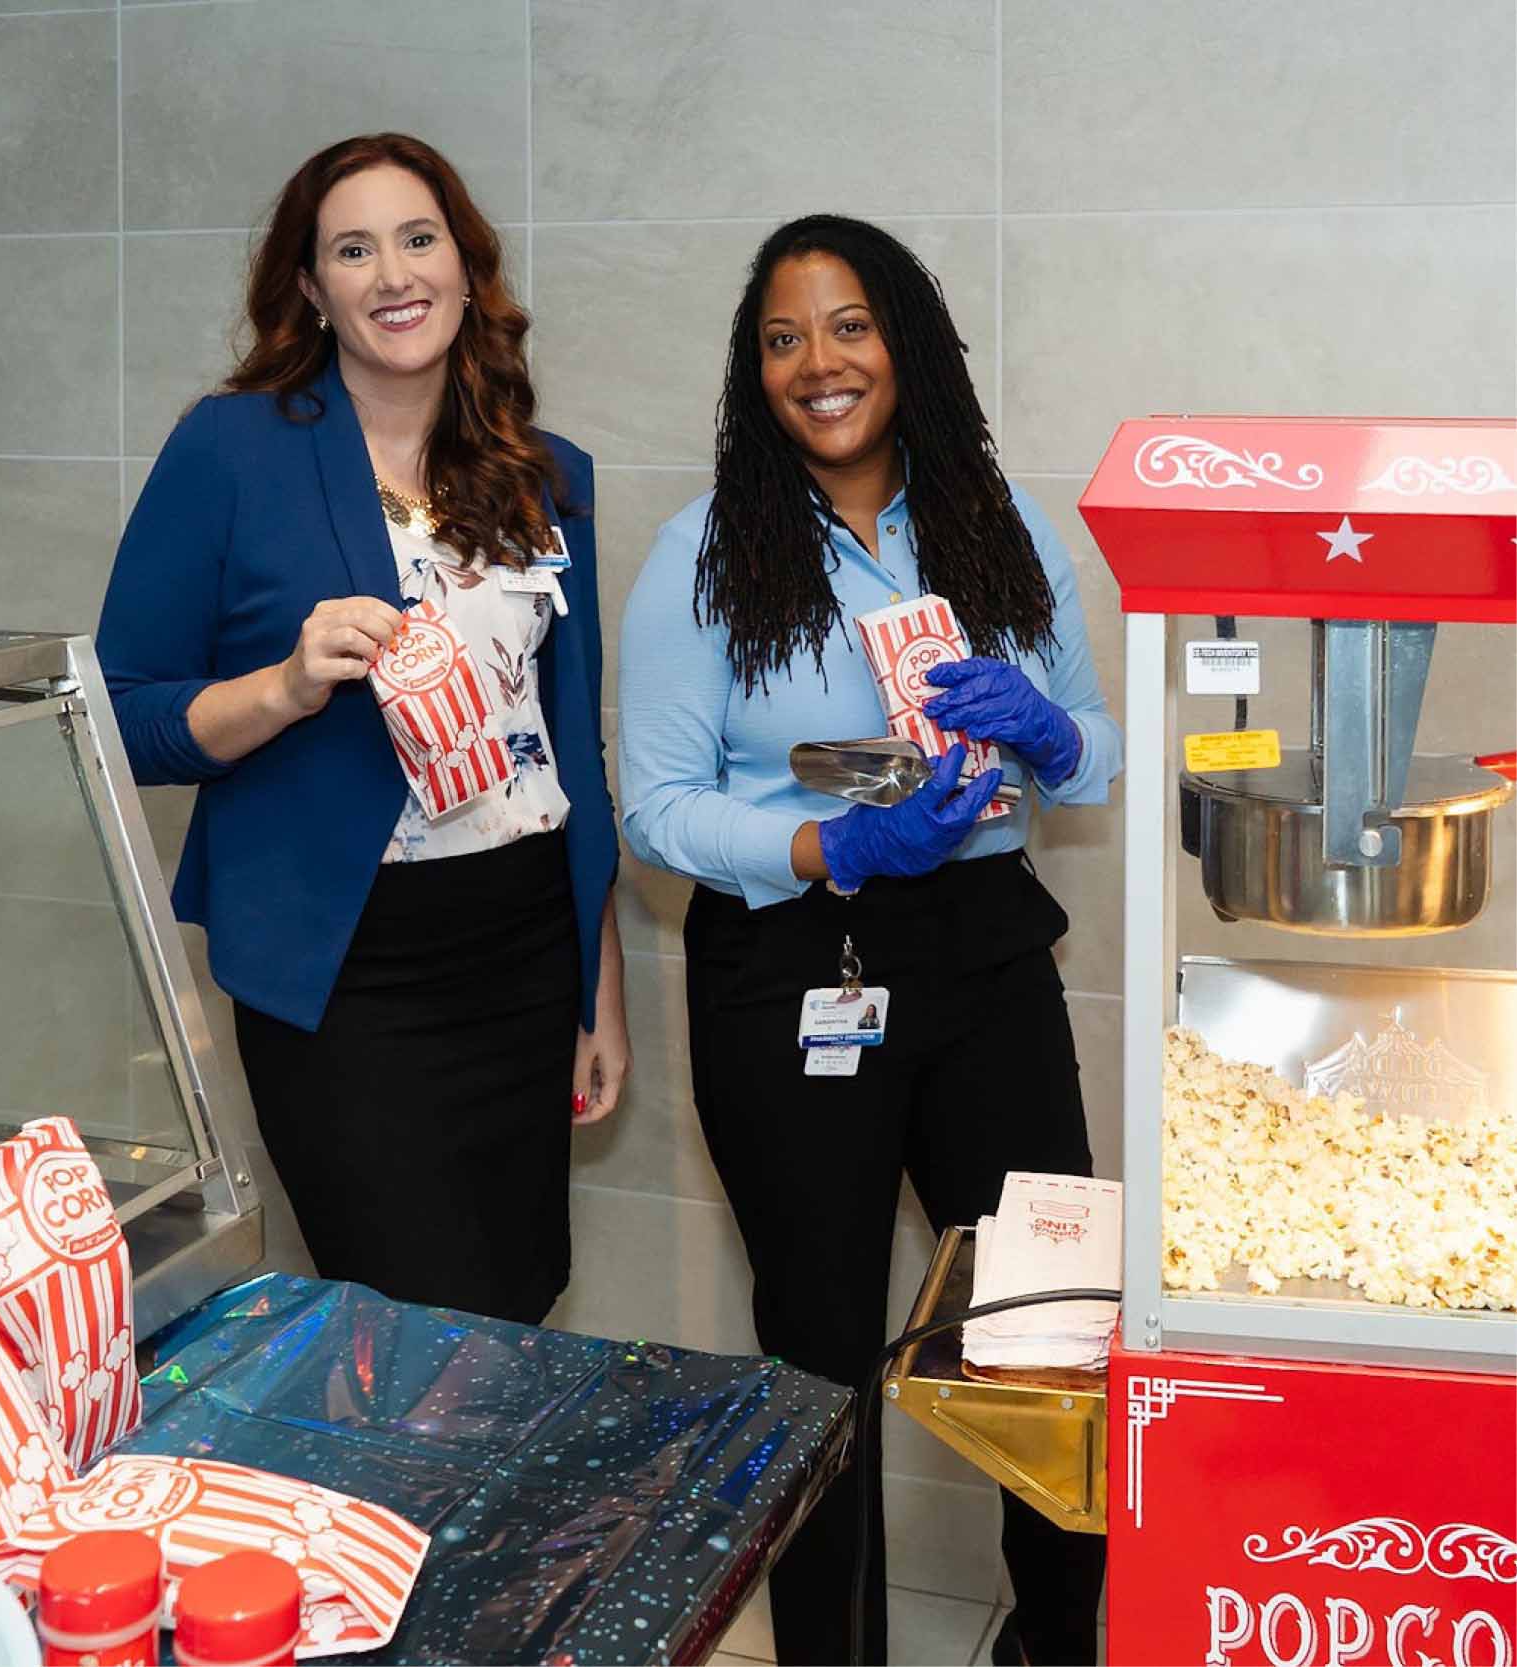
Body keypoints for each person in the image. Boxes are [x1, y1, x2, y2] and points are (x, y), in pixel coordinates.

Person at [618, 215, 1120, 1666]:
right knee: (821, 1353)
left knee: (1044, 1319)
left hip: (981, 948)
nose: (817, 363)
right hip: (794, 964)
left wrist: (1043, 730)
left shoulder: (1001, 525)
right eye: (781, 338)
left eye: (847, 326)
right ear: (749, 370)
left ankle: (1057, 1635)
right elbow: (654, 806)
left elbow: (1090, 748)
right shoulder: (702, 554)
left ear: (904, 340)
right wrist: (824, 843)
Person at [99, 133, 628, 1327]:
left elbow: (568, 755)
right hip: (346, 978)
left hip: (523, 948)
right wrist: (285, 684)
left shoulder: (547, 475)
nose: (392, 273)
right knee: (412, 1326)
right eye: (352, 248)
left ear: (464, 264)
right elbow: (123, 718)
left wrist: (599, 991)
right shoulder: (232, 449)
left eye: (417, 238)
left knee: (512, 1308)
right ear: (310, 287)